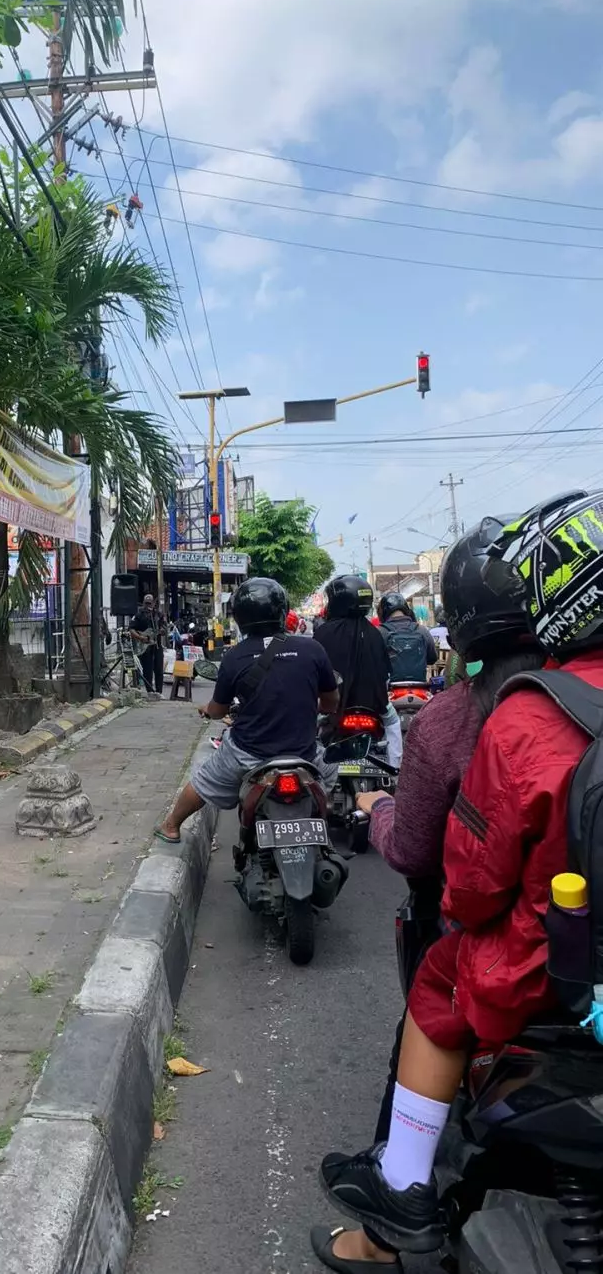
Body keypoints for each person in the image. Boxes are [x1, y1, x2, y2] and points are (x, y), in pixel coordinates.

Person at [318, 489, 603, 1257]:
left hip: (546, 965)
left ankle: (402, 1193)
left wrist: (381, 812)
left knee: (439, 982)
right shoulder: (395, 650)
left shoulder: (515, 718)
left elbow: (467, 888)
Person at [154, 577, 339, 843]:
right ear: (282, 610)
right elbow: (331, 703)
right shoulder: (312, 649)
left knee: (204, 782)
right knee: (331, 770)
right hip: (304, 754)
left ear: (240, 617)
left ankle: (171, 826)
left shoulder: (234, 657)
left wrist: (208, 709)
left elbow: (218, 711)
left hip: (248, 755)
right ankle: (323, 813)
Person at [314, 575, 403, 768]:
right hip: (374, 705)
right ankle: (395, 768)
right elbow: (385, 674)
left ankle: (313, 771)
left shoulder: (322, 633)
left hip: (333, 709)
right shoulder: (376, 633)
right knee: (392, 722)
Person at [376, 592, 437, 684]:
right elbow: (432, 658)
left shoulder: (379, 632)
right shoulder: (422, 630)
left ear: (383, 612)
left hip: (390, 687)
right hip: (419, 686)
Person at [129, 593, 164, 696]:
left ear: (153, 603)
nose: (148, 605)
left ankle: (159, 691)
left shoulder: (158, 615)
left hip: (157, 645)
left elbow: (164, 627)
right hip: (145, 646)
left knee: (159, 668)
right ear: (143, 603)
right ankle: (150, 691)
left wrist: (162, 630)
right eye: (146, 603)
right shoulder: (138, 614)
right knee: (147, 669)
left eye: (150, 603)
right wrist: (141, 637)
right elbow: (131, 629)